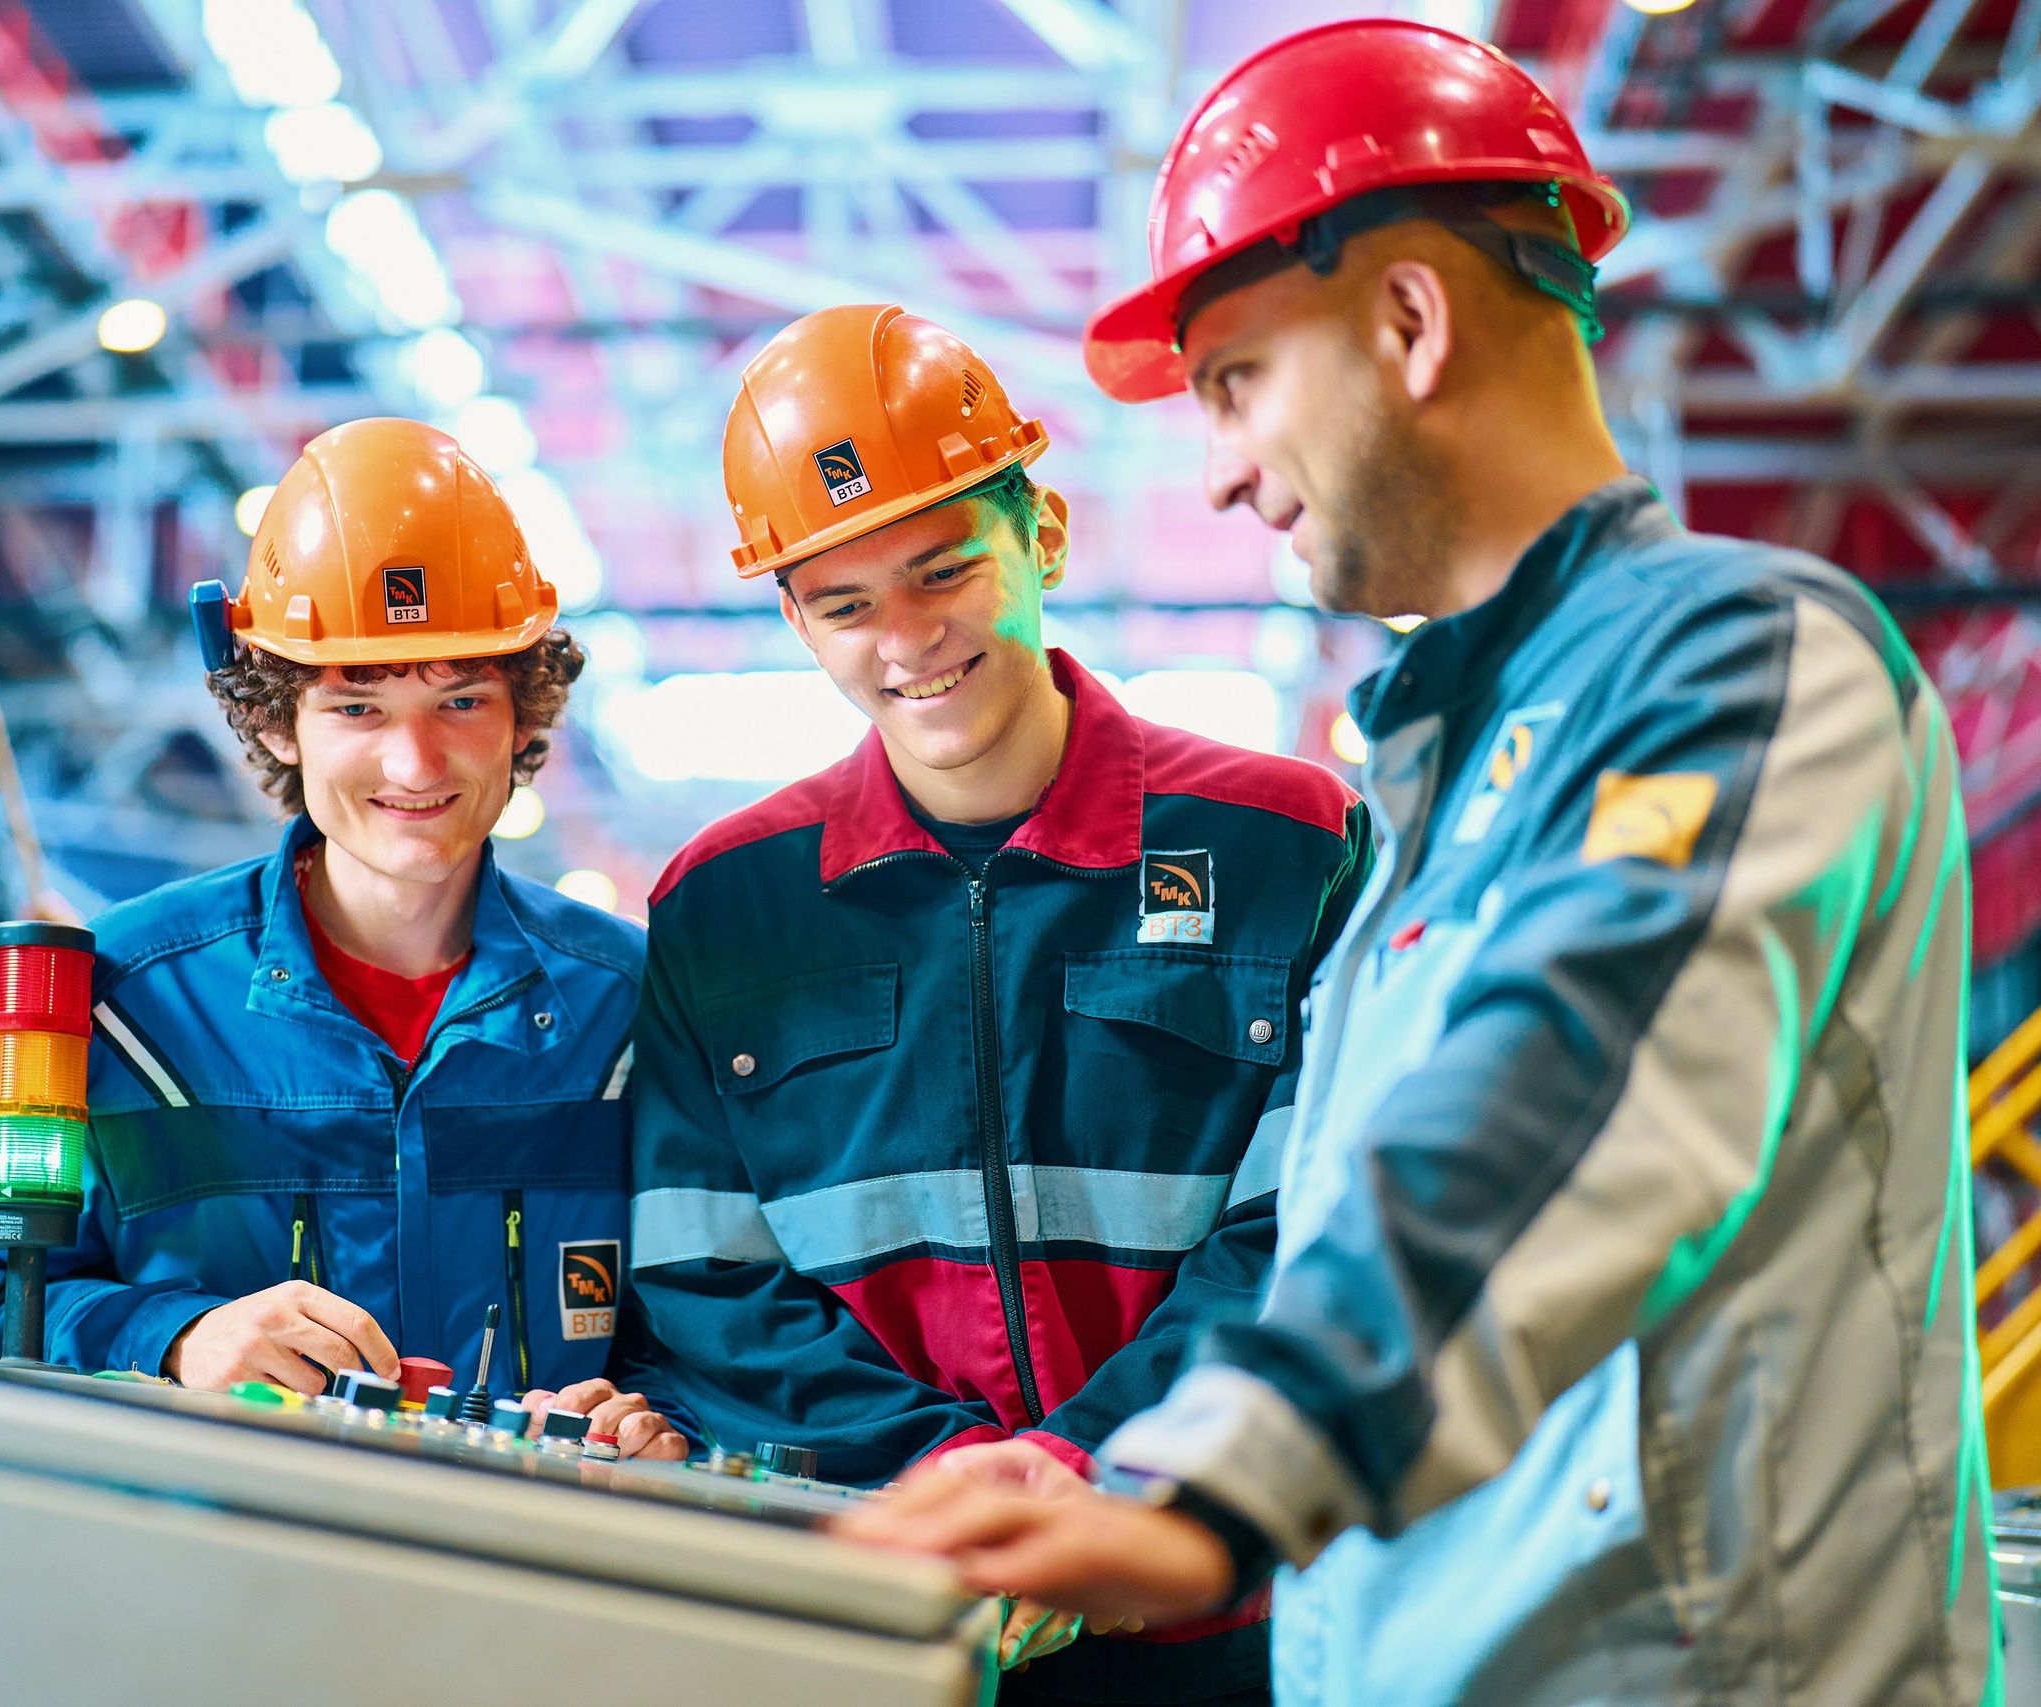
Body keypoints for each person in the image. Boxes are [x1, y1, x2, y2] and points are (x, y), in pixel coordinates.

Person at [838, 19, 1999, 1705]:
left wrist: (1229, 1481)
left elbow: (1570, 1094)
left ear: (1408, 316)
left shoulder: (1746, 668)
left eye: (1234, 380)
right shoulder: (1424, 804)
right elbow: (1352, 1238)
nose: (1223, 468)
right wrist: (1124, 1462)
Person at [619, 303, 1373, 1704]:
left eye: (943, 567)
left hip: (1221, 1611)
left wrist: (1087, 1467)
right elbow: (703, 1281)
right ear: (794, 619)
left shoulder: (1291, 843)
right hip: (883, 1611)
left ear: (1046, 537)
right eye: (844, 603)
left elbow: (1318, 1225)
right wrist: (949, 1478)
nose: (906, 637)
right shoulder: (726, 909)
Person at [0, 418, 685, 1460]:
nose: (414, 762)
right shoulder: (121, 1003)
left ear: (524, 717)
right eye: (357, 707)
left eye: (459, 699)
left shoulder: (632, 1013)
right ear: (280, 722)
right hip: (221, 1578)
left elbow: (718, 1317)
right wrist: (180, 1340)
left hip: (541, 1577)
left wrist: (657, 1414)